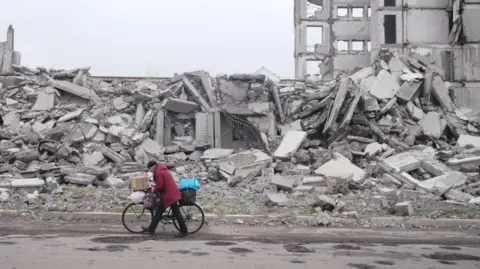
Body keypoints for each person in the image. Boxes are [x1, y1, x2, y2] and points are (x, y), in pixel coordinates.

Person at [143, 160, 188, 237]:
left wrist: (154, 190)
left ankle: (184, 231)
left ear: (152, 166)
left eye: (150, 169)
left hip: (169, 195)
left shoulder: (159, 171)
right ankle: (151, 228)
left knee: (161, 212)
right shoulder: (161, 169)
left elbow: (160, 185)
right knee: (174, 213)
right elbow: (161, 184)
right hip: (171, 193)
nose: (150, 171)